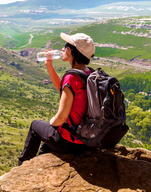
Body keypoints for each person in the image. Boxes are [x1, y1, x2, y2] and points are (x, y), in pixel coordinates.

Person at [18, 32, 95, 166]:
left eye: (66, 47)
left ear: (73, 52)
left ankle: (21, 167)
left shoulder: (72, 77)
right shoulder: (90, 73)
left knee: (35, 126)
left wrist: (52, 122)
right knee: (47, 139)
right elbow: (63, 88)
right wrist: (49, 66)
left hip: (71, 142)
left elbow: (60, 118)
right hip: (88, 140)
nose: (62, 50)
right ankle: (41, 163)